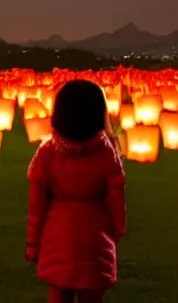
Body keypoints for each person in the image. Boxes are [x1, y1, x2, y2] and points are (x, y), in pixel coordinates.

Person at [25, 80, 127, 303]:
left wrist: (33, 242)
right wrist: (117, 229)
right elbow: (117, 196)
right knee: (92, 293)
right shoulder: (106, 153)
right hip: (95, 235)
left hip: (57, 235)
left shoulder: (47, 153)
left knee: (59, 293)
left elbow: (36, 204)